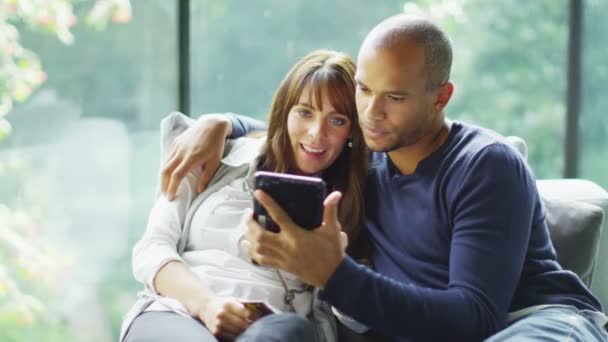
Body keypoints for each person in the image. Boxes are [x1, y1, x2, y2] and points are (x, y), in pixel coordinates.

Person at [161, 15, 608, 341]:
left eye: (394, 96)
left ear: (442, 96)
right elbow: (300, 124)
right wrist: (221, 123)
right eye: (365, 89)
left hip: (533, 322)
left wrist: (333, 274)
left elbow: (475, 318)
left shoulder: (484, 165)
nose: (371, 114)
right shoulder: (362, 158)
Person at [119, 49, 369, 342]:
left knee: (292, 329)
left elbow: (362, 320)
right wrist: (208, 306)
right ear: (284, 112)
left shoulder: (350, 203)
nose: (316, 133)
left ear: (352, 131)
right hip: (179, 312)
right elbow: (152, 248)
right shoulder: (211, 153)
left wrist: (336, 271)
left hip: (272, 326)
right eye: (304, 112)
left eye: (337, 120)